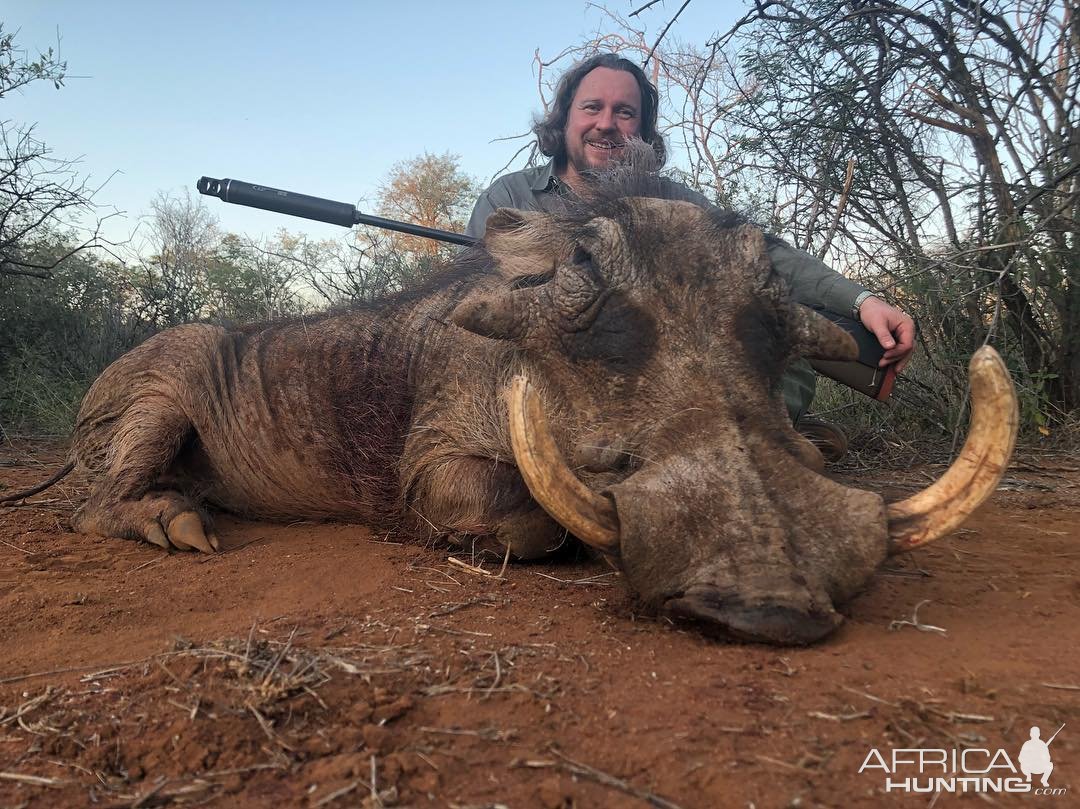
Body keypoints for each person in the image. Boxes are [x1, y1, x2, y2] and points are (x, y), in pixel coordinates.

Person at [466, 53, 915, 461]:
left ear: (642, 131)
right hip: (567, 358)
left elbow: (758, 249)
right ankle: (758, 443)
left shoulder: (672, 201)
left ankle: (760, 433)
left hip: (665, 360)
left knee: (770, 340)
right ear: (564, 120)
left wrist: (862, 301)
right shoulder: (510, 195)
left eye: (625, 112)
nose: (607, 123)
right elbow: (482, 300)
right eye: (592, 107)